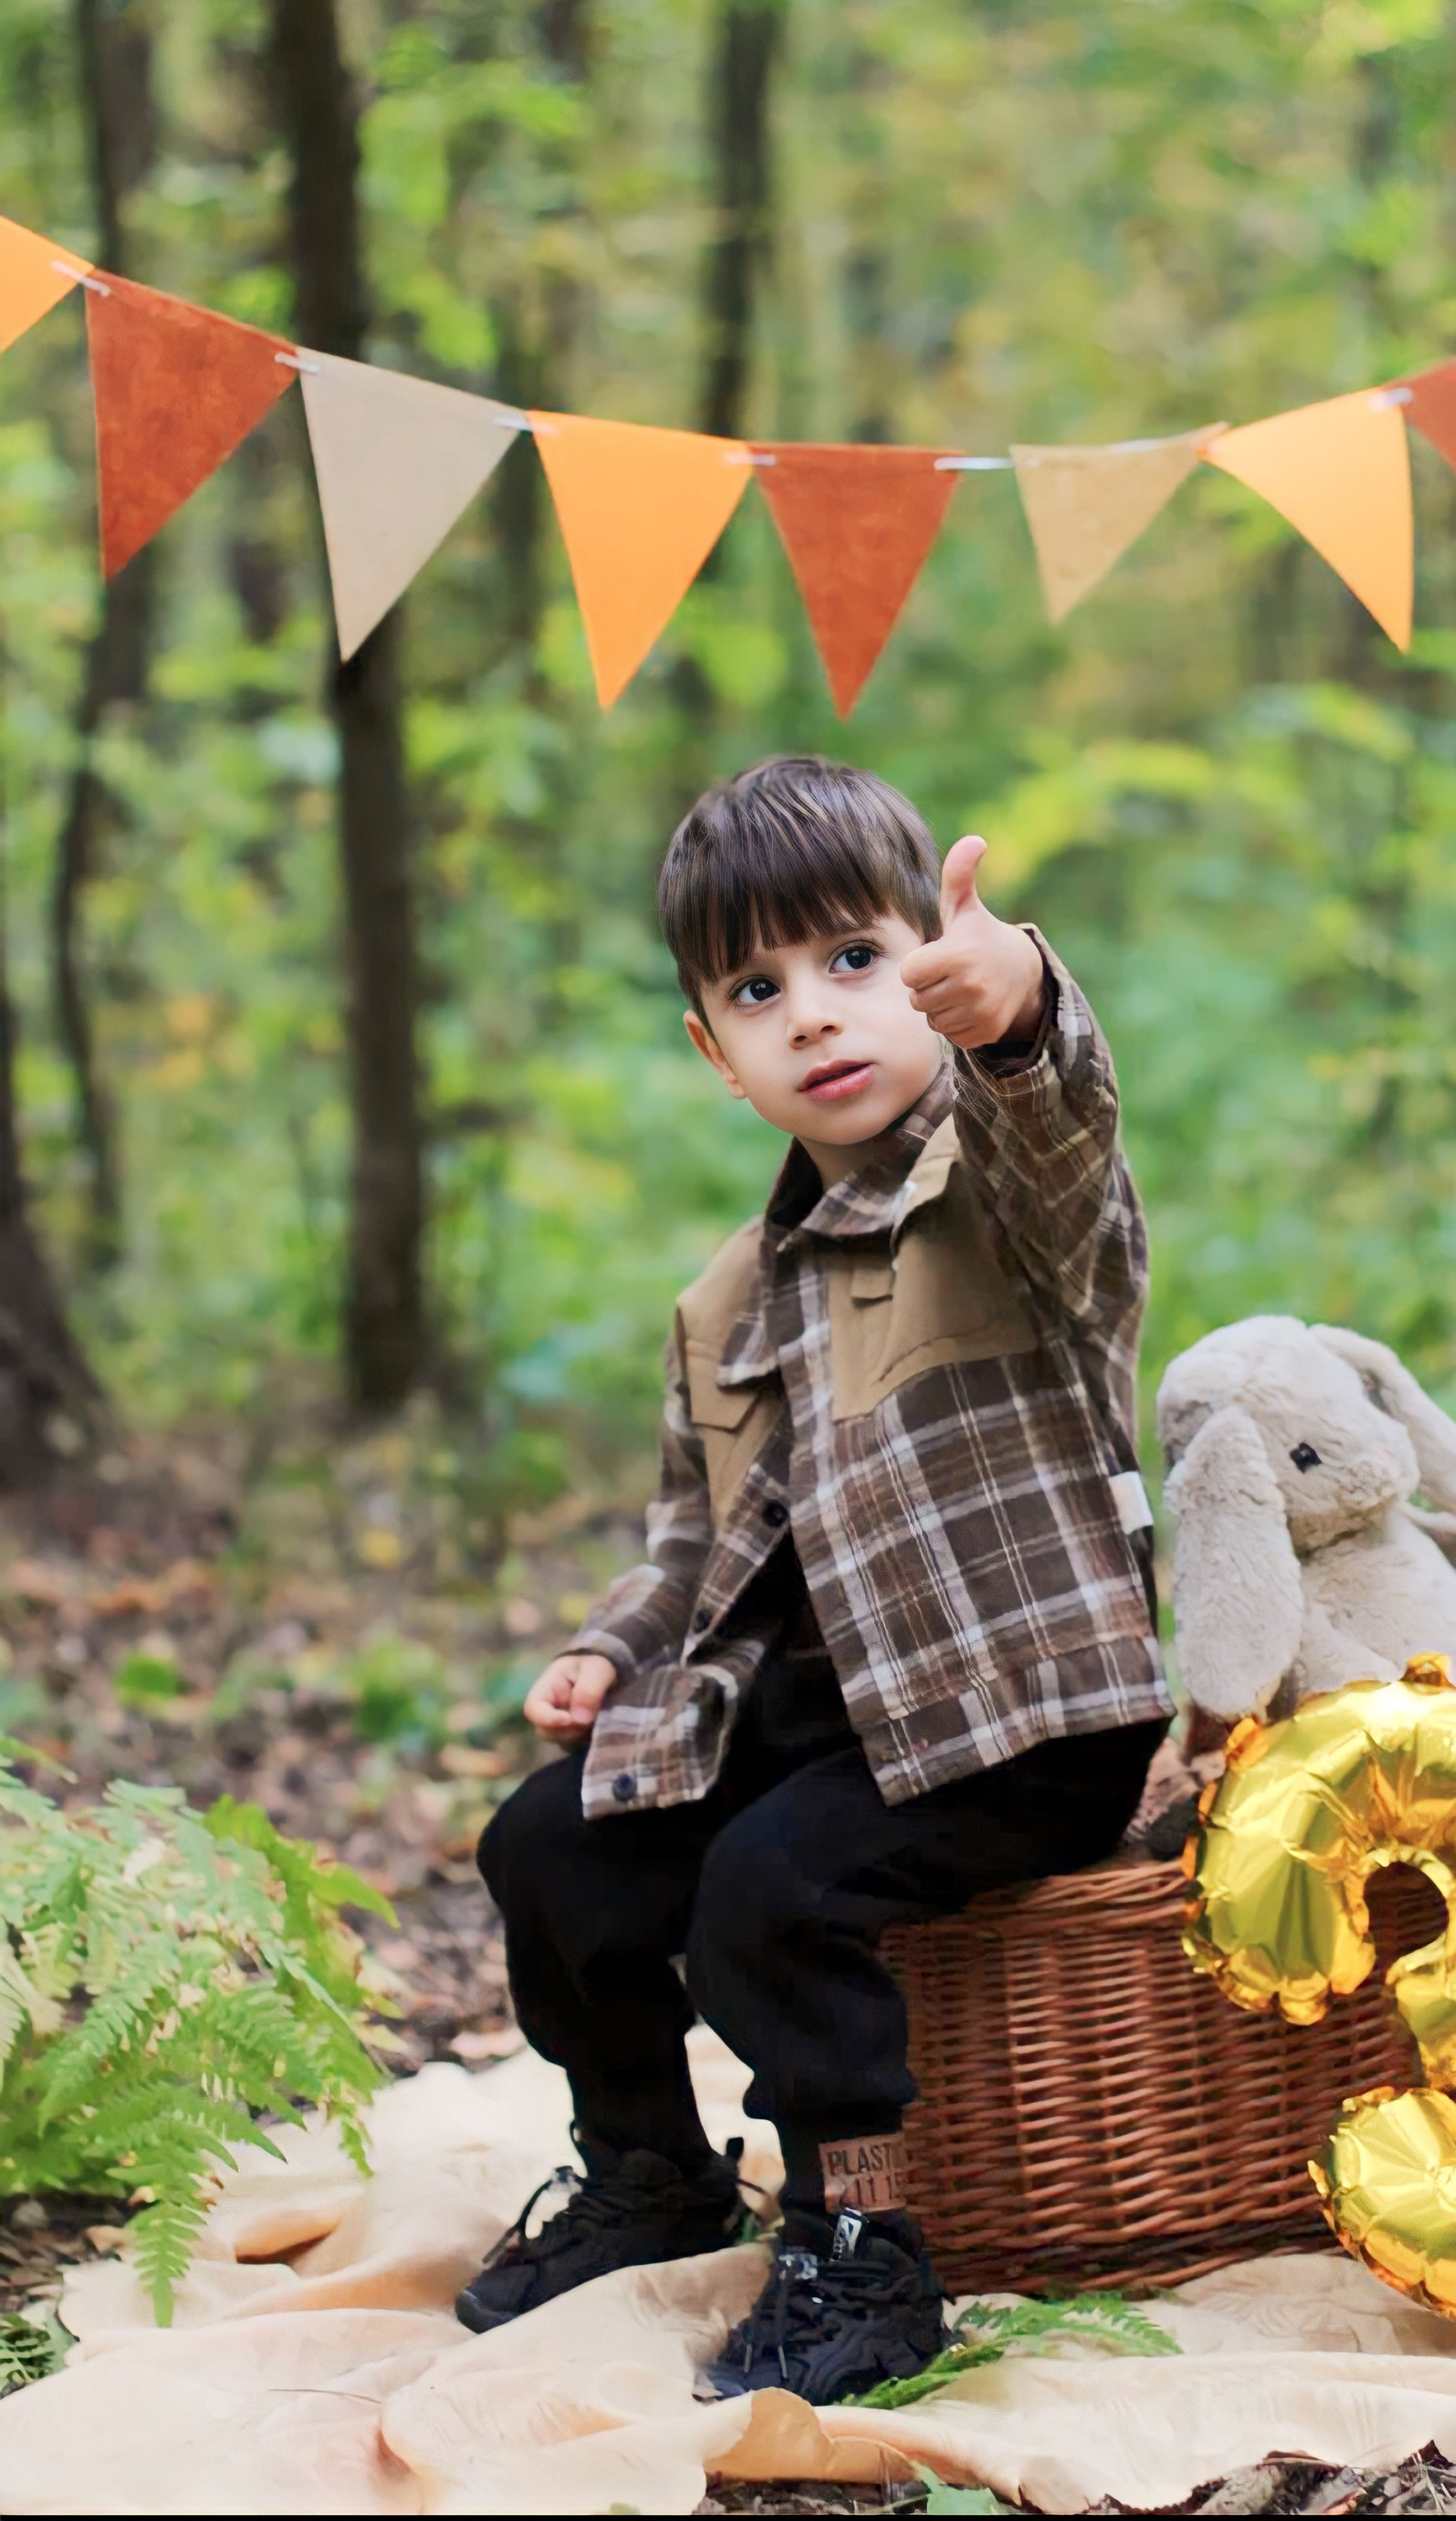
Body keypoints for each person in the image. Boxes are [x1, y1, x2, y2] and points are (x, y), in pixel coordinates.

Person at [458, 756, 1169, 2401]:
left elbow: (1060, 1127)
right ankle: (648, 2168)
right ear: (715, 1053)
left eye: (856, 960)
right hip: (829, 1714)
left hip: (1022, 1711)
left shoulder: (998, 1197)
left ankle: (864, 2252)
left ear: (926, 959)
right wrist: (608, 1656)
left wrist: (1021, 1009)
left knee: (766, 1891)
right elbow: (689, 1547)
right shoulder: (725, 1302)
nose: (815, 1017)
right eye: (756, 990)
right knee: (544, 1850)